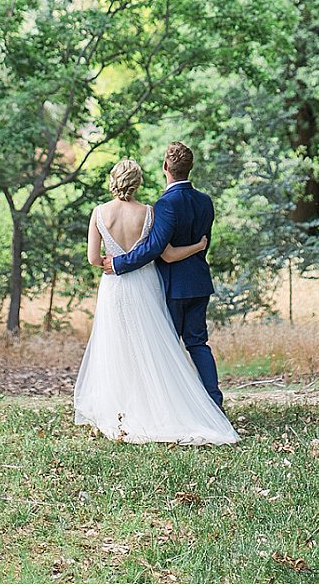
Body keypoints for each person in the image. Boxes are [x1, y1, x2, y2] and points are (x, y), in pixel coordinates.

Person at [74, 157, 238, 445]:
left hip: (114, 285)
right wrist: (199, 246)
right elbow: (162, 252)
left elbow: (91, 258)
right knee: (153, 346)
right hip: (146, 284)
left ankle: (121, 409)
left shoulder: (99, 213)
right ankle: (175, 405)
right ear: (138, 183)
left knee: (118, 346)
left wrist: (111, 264)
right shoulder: (149, 212)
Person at [103, 141, 225, 411]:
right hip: (199, 283)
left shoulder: (166, 204)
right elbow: (204, 242)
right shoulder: (205, 202)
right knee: (198, 343)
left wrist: (119, 263)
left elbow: (155, 249)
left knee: (167, 348)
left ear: (165, 168)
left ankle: (175, 407)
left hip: (172, 287)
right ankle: (214, 403)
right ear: (189, 168)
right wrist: (194, 248)